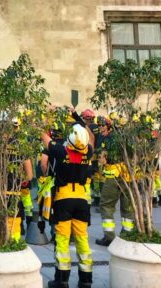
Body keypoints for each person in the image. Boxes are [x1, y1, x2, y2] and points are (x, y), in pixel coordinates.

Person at [43, 121, 94, 288]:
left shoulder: (60, 151)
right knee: (82, 240)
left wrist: (44, 122)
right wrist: (79, 119)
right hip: (81, 201)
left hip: (63, 200)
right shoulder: (88, 153)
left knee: (63, 241)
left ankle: (61, 280)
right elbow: (92, 138)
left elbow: (44, 138)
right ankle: (86, 281)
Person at [94, 117, 133, 246]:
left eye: (102, 126)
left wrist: (99, 163)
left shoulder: (107, 139)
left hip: (112, 176)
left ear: (109, 127)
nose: (100, 128)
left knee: (106, 205)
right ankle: (127, 234)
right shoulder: (124, 138)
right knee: (127, 207)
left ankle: (109, 237)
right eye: (99, 126)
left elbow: (103, 160)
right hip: (127, 176)